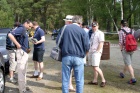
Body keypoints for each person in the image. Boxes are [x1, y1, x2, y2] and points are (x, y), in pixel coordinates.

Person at [57, 15, 89, 93]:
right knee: (79, 80)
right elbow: (87, 46)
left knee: (65, 79)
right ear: (80, 22)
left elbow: (58, 42)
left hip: (66, 56)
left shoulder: (64, 28)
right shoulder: (82, 31)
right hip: (79, 57)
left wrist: (64, 48)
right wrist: (83, 55)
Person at [8, 20, 33, 93]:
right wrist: (18, 45)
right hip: (21, 53)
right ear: (26, 23)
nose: (30, 28)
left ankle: (23, 87)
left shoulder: (24, 30)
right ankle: (22, 90)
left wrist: (27, 48)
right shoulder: (21, 28)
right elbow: (10, 35)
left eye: (31, 27)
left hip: (24, 52)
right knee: (21, 72)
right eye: (29, 26)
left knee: (24, 71)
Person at [87, 22, 106, 87]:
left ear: (98, 26)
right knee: (94, 67)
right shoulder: (92, 33)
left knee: (96, 67)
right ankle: (95, 80)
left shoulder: (100, 33)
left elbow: (101, 43)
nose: (93, 27)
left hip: (96, 52)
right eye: (92, 26)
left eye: (95, 26)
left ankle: (103, 80)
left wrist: (97, 51)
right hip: (91, 51)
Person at [119, 20, 136, 84]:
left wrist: (121, 50)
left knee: (129, 64)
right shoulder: (132, 30)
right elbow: (135, 38)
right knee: (127, 62)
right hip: (132, 48)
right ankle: (122, 73)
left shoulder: (121, 31)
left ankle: (133, 78)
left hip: (125, 49)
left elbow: (120, 42)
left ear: (121, 24)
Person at [63, 15, 76, 92]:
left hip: (66, 53)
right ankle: (70, 85)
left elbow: (59, 41)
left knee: (66, 72)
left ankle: (68, 86)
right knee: (71, 71)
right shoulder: (78, 29)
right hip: (76, 54)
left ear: (68, 21)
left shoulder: (64, 29)